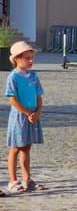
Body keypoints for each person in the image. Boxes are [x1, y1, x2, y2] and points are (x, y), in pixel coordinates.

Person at [5, 41, 44, 194]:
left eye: (31, 58)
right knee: (16, 147)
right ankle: (13, 180)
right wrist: (27, 113)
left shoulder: (33, 76)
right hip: (20, 116)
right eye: (27, 58)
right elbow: (12, 98)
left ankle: (27, 178)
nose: (30, 61)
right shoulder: (13, 77)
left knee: (27, 147)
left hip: (33, 115)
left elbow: (38, 94)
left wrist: (38, 111)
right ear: (17, 59)